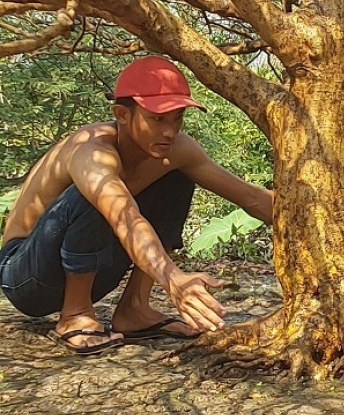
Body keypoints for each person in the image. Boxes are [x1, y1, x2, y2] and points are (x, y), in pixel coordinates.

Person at [0, 56, 273, 354]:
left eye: (177, 118)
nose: (169, 131)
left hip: (90, 268)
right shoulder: (91, 150)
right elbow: (125, 217)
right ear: (122, 114)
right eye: (157, 119)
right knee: (96, 193)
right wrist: (172, 279)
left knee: (176, 177)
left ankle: (134, 309)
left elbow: (252, 198)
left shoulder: (177, 150)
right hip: (26, 276)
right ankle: (75, 314)